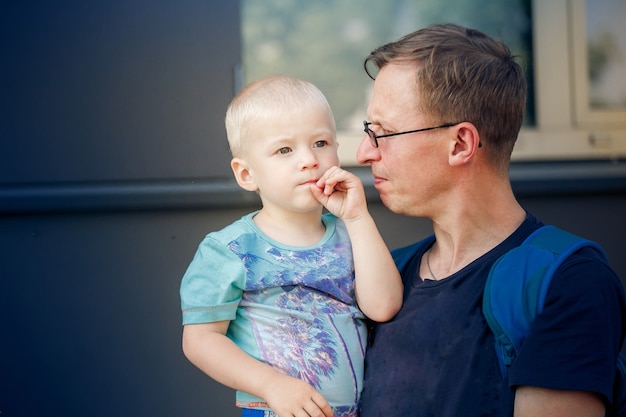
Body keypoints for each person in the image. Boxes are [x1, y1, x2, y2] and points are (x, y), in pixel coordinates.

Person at [355, 23, 626, 417]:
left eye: (384, 132)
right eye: (368, 129)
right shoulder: (385, 280)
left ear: (461, 144)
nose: (365, 152)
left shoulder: (569, 281)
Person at [180, 74, 402, 417]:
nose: (309, 159)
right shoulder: (231, 249)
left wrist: (359, 220)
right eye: (285, 149)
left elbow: (383, 307)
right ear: (246, 174)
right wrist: (271, 384)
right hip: (275, 409)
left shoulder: (351, 233)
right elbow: (200, 340)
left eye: (321, 143)